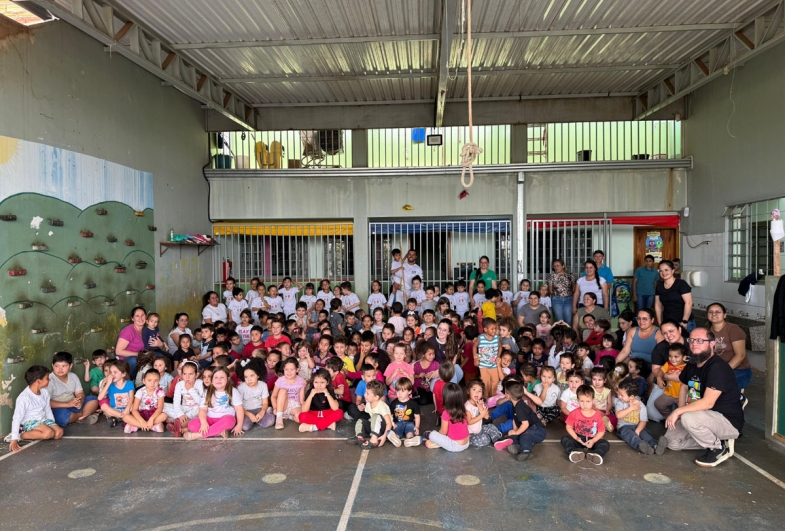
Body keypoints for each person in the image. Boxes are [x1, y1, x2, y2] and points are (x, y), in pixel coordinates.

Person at [657, 328, 745, 468]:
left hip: (727, 420)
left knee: (688, 418)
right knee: (672, 442)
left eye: (700, 340)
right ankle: (714, 440)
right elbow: (684, 386)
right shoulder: (692, 363)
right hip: (703, 416)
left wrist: (678, 412)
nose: (694, 344)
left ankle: (717, 448)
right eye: (692, 340)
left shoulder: (717, 368)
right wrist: (680, 409)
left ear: (711, 344)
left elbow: (708, 403)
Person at [9, 365, 63, 452]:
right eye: (47, 378)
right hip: (29, 422)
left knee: (58, 433)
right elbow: (17, 418)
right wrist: (14, 439)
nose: (49, 380)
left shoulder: (44, 392)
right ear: (38, 381)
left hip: (42, 420)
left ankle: (42, 431)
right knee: (48, 433)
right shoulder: (24, 398)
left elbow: (47, 409)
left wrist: (52, 424)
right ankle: (21, 434)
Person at [492, 381, 547, 461]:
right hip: (530, 429)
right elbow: (516, 420)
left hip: (538, 430)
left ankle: (526, 451)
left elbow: (525, 424)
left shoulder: (520, 407)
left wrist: (516, 432)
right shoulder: (516, 404)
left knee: (525, 436)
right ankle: (516, 444)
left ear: (507, 395)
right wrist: (514, 431)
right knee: (517, 435)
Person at [185, 367, 244, 440]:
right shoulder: (207, 392)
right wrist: (204, 423)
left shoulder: (233, 391)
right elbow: (202, 410)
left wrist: (239, 425)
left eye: (222, 377)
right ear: (212, 380)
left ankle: (200, 435)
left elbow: (239, 409)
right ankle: (218, 432)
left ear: (228, 379)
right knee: (192, 424)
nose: (219, 379)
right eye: (216, 377)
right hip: (210, 419)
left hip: (225, 419)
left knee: (230, 421)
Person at [707, 302, 752, 393]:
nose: (714, 314)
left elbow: (741, 355)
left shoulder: (733, 329)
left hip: (739, 370)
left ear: (724, 315)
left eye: (718, 312)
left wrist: (723, 371)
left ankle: (739, 397)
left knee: (716, 384)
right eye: (710, 312)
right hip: (717, 370)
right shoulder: (707, 332)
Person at [647, 319, 687, 422]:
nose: (668, 335)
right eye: (664, 333)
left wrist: (683, 378)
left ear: (679, 329)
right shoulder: (660, 347)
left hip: (688, 385)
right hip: (666, 385)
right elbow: (656, 369)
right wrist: (668, 377)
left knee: (688, 412)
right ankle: (671, 418)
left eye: (671, 331)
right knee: (653, 414)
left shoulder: (692, 344)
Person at [561, 384, 610, 465]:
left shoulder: (597, 414)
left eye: (588, 401)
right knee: (565, 438)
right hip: (579, 438)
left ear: (593, 401)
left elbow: (601, 431)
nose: (585, 404)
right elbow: (569, 426)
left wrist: (594, 440)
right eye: (582, 401)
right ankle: (574, 452)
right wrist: (576, 438)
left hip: (593, 439)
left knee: (605, 443)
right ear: (578, 401)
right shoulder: (574, 413)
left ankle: (596, 454)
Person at [48, 351, 99, 427]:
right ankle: (84, 415)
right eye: (56, 366)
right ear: (52, 366)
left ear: (70, 366)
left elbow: (80, 393)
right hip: (59, 408)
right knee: (61, 417)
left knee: (94, 399)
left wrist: (80, 401)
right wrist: (67, 404)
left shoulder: (73, 376)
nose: (60, 369)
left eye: (64, 366)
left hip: (74, 405)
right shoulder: (49, 380)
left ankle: (82, 416)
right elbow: (46, 402)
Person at [614, 379, 658, 455]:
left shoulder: (641, 405)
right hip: (624, 427)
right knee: (632, 437)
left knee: (646, 435)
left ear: (631, 397)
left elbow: (643, 421)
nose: (619, 396)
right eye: (619, 394)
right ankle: (642, 446)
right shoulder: (620, 403)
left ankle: (655, 445)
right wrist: (630, 408)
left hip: (638, 426)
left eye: (622, 395)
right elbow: (618, 415)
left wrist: (638, 430)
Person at [116, 307, 164, 375]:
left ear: (146, 317)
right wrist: (139, 355)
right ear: (132, 318)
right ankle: (132, 382)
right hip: (128, 359)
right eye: (137, 316)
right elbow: (118, 351)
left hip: (145, 356)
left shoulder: (148, 329)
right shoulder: (128, 331)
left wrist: (160, 344)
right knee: (134, 360)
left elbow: (160, 346)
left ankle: (156, 380)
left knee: (161, 357)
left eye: (142, 315)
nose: (140, 318)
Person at [164, 360, 204, 438]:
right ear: (181, 375)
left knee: (200, 409)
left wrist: (190, 390)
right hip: (184, 409)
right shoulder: (179, 384)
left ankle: (178, 424)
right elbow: (176, 402)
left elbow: (202, 403)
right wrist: (180, 414)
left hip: (195, 410)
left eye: (191, 374)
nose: (187, 377)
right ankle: (180, 423)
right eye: (184, 374)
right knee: (163, 405)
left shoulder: (200, 383)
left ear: (197, 375)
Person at [425, 383, 470, 452]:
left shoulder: (446, 413)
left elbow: (443, 432)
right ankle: (441, 443)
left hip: (455, 446)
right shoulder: (464, 409)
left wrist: (438, 436)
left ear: (446, 399)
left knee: (432, 434)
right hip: (467, 443)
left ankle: (438, 441)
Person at [349, 379, 393, 449]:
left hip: (385, 428)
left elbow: (389, 423)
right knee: (361, 421)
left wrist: (385, 436)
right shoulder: (369, 404)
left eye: (368, 393)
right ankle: (360, 437)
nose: (365, 395)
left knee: (376, 416)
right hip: (375, 427)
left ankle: (374, 440)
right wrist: (361, 407)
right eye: (366, 392)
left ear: (376, 397)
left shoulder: (382, 407)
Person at [655, 259, 694, 334]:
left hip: (683, 322)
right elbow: (658, 305)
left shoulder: (681, 284)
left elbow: (688, 303)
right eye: (660, 270)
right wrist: (660, 323)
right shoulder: (659, 285)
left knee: (687, 344)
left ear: (672, 270)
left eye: (666, 270)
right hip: (668, 322)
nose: (663, 273)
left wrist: (684, 321)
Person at [298, 368, 343, 432]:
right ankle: (327, 424)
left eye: (322, 382)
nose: (319, 385)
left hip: (327, 413)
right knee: (301, 416)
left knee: (340, 413)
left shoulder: (330, 391)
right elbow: (304, 410)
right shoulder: (310, 391)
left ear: (327, 382)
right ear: (313, 382)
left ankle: (314, 427)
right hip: (314, 414)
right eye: (316, 382)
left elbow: (335, 408)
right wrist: (311, 395)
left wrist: (327, 394)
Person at [123, 368, 167, 433]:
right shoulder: (140, 391)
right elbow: (134, 409)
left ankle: (136, 426)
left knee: (164, 416)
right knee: (125, 417)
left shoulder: (160, 391)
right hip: (141, 415)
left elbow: (160, 408)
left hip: (154, 414)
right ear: (144, 381)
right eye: (149, 380)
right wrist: (141, 421)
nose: (152, 383)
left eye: (156, 381)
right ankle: (151, 427)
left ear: (159, 380)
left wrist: (152, 419)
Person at [236, 358, 274, 431]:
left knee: (270, 421)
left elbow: (265, 403)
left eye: (252, 376)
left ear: (258, 375)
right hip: (246, 410)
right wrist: (249, 415)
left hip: (259, 408)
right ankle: (257, 419)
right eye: (246, 377)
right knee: (245, 427)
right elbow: (239, 406)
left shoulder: (263, 385)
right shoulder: (241, 387)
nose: (249, 379)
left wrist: (262, 412)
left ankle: (263, 414)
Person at [654, 343, 688, 418]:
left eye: (676, 357)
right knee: (658, 404)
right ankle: (669, 418)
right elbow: (661, 371)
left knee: (683, 411)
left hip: (682, 396)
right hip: (669, 393)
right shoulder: (668, 364)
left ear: (684, 357)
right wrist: (659, 378)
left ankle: (678, 420)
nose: (672, 359)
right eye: (670, 356)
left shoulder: (687, 367)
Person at [464, 380, 502, 447]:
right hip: (470, 434)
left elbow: (487, 417)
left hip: (480, 429)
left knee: (491, 426)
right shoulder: (467, 406)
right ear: (468, 391)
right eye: (474, 389)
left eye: (480, 391)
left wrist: (481, 408)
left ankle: (497, 440)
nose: (477, 393)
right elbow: (469, 422)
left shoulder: (480, 403)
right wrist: (481, 415)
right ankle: (492, 436)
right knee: (485, 440)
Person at [386, 378, 422, 447]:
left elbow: (417, 416)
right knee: (397, 431)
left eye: (402, 391)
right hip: (398, 423)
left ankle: (410, 440)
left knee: (410, 432)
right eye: (397, 391)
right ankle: (396, 439)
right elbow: (390, 415)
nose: (399, 393)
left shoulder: (413, 403)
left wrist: (417, 427)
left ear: (409, 391)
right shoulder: (394, 403)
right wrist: (392, 424)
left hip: (410, 423)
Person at [98, 360, 134, 428]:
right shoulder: (110, 385)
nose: (112, 375)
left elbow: (131, 397)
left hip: (127, 409)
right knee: (104, 408)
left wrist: (127, 409)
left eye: (115, 372)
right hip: (115, 410)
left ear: (123, 374)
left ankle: (117, 419)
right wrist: (108, 383)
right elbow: (100, 398)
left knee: (134, 406)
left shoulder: (129, 383)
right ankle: (123, 417)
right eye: (111, 372)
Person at [428, 319, 464, 384]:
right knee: (433, 386)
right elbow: (426, 358)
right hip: (434, 368)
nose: (441, 332)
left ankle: (452, 390)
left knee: (456, 374)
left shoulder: (453, 343)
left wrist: (440, 371)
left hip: (447, 367)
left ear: (449, 332)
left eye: (444, 330)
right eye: (439, 328)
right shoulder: (430, 341)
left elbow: (452, 362)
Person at [474, 318, 501, 399]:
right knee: (485, 382)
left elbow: (500, 347)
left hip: (494, 365)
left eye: (496, 328)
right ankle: (485, 398)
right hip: (483, 365)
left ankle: (492, 398)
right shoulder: (480, 338)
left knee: (495, 382)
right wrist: (475, 357)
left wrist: (498, 356)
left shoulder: (497, 338)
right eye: (492, 329)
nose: (494, 331)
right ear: (485, 329)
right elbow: (474, 346)